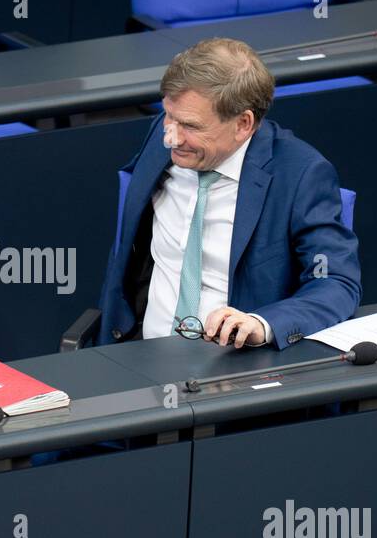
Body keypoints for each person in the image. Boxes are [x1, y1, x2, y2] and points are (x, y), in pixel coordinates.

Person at [97, 37, 360, 349]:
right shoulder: (164, 133)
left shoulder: (301, 174)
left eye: (192, 126)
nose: (172, 137)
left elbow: (336, 282)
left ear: (243, 124)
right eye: (169, 115)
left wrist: (263, 324)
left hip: (231, 364)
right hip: (139, 353)